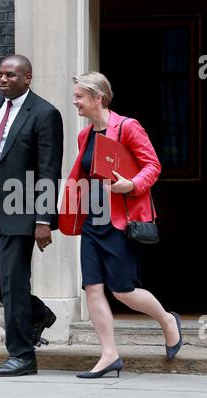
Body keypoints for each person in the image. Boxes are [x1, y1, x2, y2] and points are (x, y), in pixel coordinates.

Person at [59, 71, 182, 378]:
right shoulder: (84, 136)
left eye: (79, 97)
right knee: (92, 288)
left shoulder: (127, 127)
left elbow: (152, 165)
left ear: (97, 98)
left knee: (123, 291)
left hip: (119, 221)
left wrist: (131, 185)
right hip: (92, 221)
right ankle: (109, 354)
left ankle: (167, 320)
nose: (75, 102)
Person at [0, 54, 63, 377]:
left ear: (27, 78)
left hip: (21, 204)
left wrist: (44, 220)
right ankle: (36, 312)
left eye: (10, 76)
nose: (2, 80)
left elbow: (49, 171)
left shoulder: (46, 114)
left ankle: (22, 355)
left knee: (13, 278)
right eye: (1, 75)